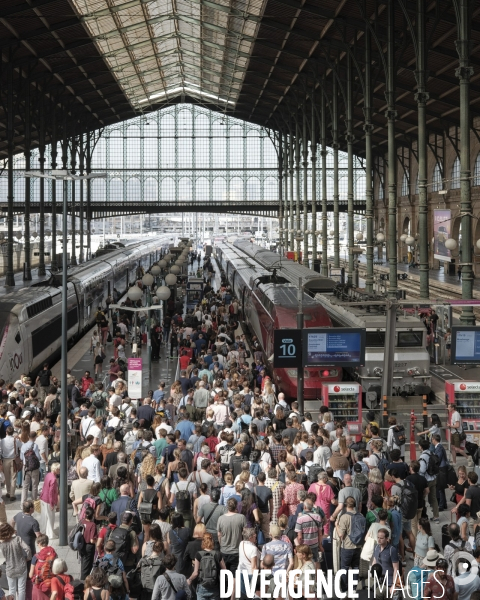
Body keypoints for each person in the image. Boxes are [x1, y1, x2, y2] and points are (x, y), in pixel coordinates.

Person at [336, 497, 364, 592]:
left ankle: (344, 589)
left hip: (347, 546)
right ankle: (354, 588)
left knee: (344, 568)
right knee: (356, 567)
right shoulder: (360, 515)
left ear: (345, 505)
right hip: (358, 546)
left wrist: (336, 525)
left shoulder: (344, 517)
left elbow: (341, 534)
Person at [186, 532, 225, 600]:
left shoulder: (198, 554)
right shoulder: (217, 554)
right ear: (212, 541)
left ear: (203, 542)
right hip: (214, 587)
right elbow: (225, 570)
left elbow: (195, 573)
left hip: (202, 586)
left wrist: (189, 580)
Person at [0, 522, 31, 600]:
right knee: (21, 589)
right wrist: (28, 558)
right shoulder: (17, 539)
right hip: (21, 566)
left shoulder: (2, 544)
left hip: (10, 569)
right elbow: (27, 548)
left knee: (12, 589)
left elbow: (4, 556)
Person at [217, 497, 246, 572]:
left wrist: (221, 545)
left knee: (224, 574)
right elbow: (245, 533)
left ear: (227, 506)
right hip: (237, 551)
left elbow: (219, 535)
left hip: (224, 550)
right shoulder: (241, 517)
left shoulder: (221, 518)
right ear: (236, 506)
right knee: (234, 575)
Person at [372, 528, 400, 598]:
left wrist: (394, 584)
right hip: (378, 581)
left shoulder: (392, 550)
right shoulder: (376, 547)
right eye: (378, 537)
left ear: (387, 539)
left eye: (381, 538)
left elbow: (396, 568)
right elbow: (374, 561)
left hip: (389, 582)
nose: (379, 540)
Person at [29, 534, 57, 600]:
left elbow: (30, 575)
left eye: (37, 544)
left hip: (39, 585)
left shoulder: (36, 557)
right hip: (51, 583)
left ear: (39, 543)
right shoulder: (54, 554)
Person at [39, 463, 59, 539]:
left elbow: (44, 486)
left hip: (43, 498)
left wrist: (41, 495)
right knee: (50, 518)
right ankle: (50, 534)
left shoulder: (48, 475)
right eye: (59, 469)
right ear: (56, 470)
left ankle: (43, 531)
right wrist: (52, 503)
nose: (59, 470)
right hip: (48, 500)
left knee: (44, 516)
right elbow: (51, 492)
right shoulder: (53, 479)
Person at [79, 506, 97, 579]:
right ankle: (83, 582)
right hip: (89, 547)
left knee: (83, 563)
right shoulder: (92, 525)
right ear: (92, 515)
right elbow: (92, 540)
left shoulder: (82, 522)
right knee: (87, 567)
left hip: (81, 545)